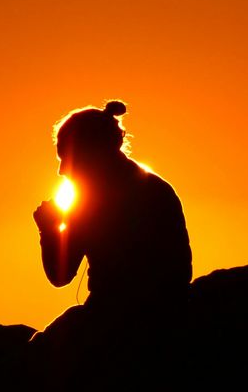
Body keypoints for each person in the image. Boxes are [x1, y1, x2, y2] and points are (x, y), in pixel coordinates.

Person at [33, 100, 191, 308]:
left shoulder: (88, 201)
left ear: (89, 154)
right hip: (170, 306)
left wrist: (47, 229)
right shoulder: (158, 188)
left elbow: (60, 276)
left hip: (112, 313)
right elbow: (181, 270)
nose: (61, 170)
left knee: (43, 342)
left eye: (66, 159)